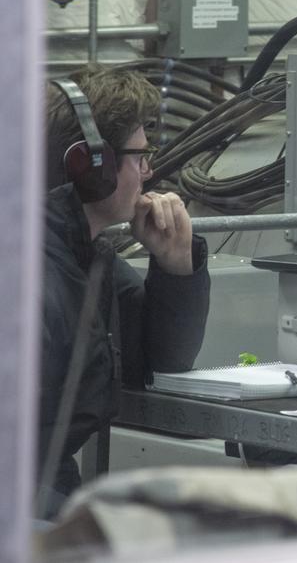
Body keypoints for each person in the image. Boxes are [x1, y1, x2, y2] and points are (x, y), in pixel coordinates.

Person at [38, 66, 211, 517]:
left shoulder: (87, 258)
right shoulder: (30, 274)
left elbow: (160, 363)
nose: (149, 172)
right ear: (92, 166)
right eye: (139, 156)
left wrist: (175, 268)